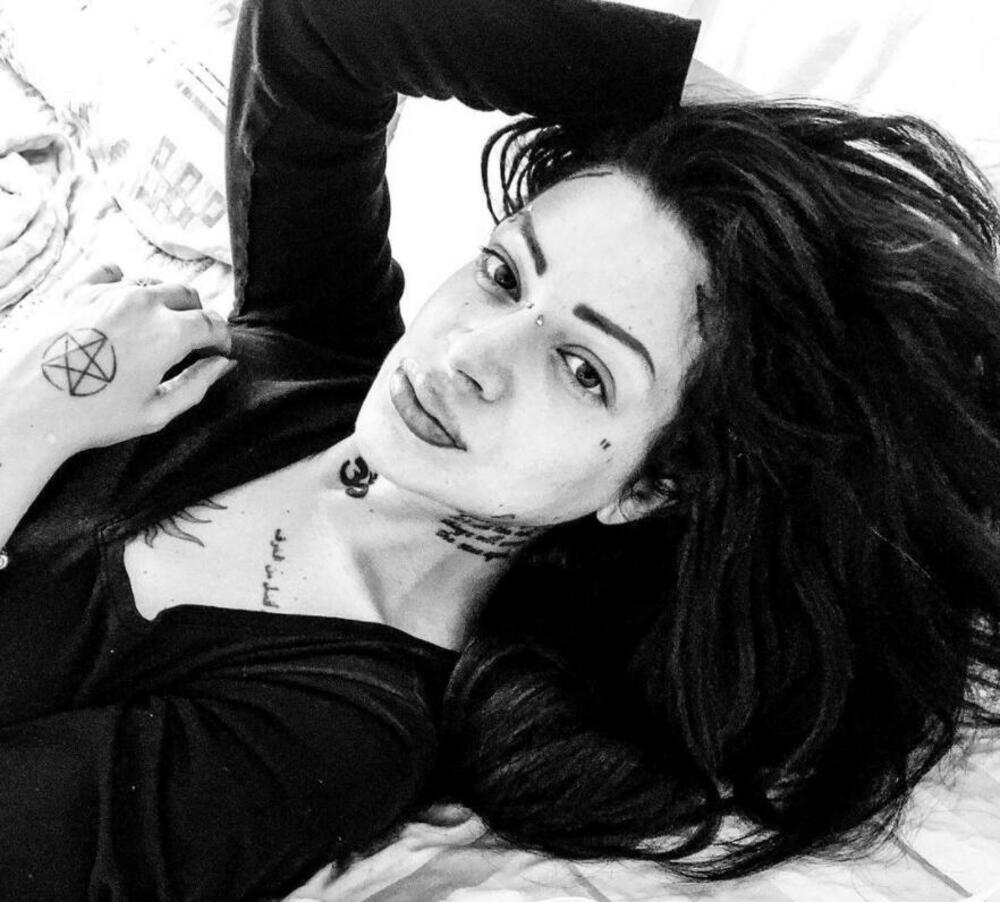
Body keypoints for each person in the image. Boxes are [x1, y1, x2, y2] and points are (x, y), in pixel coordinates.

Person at [0, 0, 998, 900]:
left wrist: (35, 410)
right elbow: (319, 26)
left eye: (582, 368)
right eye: (504, 273)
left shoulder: (333, 729)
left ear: (652, 484)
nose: (469, 353)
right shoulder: (320, 340)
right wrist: (753, 139)